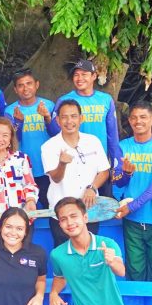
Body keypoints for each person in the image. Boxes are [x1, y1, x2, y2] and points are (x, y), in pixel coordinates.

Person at [49, 198, 135, 305]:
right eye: (63, 219)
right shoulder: (58, 254)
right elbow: (60, 276)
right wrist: (53, 293)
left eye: (74, 216)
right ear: (60, 224)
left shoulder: (107, 244)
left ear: (85, 218)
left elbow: (121, 271)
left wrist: (112, 261)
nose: (70, 222)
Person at [112, 101, 152, 282]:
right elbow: (117, 182)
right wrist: (127, 173)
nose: (137, 121)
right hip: (131, 221)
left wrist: (132, 206)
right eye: (133, 117)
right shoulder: (123, 147)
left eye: (143, 117)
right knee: (134, 269)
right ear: (129, 121)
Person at [41, 99, 109, 246]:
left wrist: (92, 188)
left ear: (81, 118)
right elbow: (56, 178)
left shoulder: (93, 141)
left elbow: (104, 171)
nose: (69, 121)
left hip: (89, 212)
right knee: (64, 257)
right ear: (57, 120)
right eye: (64, 117)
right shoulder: (49, 146)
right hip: (61, 214)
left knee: (89, 253)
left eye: (73, 116)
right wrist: (62, 164)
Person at [50, 58, 123, 180]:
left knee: (101, 198)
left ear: (94, 76)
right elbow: (54, 131)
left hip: (100, 161)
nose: (79, 78)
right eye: (76, 75)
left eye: (84, 74)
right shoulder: (64, 101)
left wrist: (117, 164)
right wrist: (47, 118)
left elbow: (112, 134)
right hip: (74, 161)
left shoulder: (105, 99)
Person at [4, 68, 55, 207]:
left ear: (36, 85)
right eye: (20, 85)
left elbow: (56, 134)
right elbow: (12, 140)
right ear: (15, 89)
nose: (25, 88)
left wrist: (47, 117)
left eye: (29, 83)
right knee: (26, 206)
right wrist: (18, 123)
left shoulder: (49, 105)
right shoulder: (10, 111)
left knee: (50, 204)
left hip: (47, 165)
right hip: (23, 168)